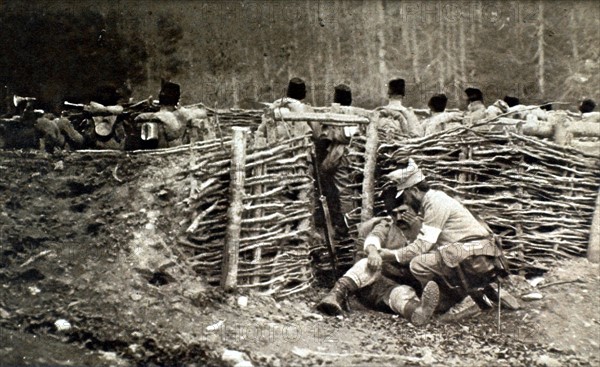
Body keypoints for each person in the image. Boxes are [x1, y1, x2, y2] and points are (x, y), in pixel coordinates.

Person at [377, 159, 507, 313]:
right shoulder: (434, 201)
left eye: (405, 196)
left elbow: (423, 245)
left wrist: (393, 255)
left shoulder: (435, 203)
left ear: (414, 191)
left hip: (473, 253)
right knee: (434, 258)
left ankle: (452, 301)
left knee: (418, 264)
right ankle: (464, 297)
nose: (406, 201)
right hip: (474, 250)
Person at [316, 185, 440, 326]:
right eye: (394, 213)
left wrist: (416, 226)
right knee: (369, 263)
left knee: (403, 294)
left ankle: (417, 312)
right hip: (377, 284)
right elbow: (374, 238)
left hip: (405, 283)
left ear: (414, 211)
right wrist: (373, 251)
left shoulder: (425, 230)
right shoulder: (387, 225)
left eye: (403, 212)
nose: (399, 217)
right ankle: (336, 295)